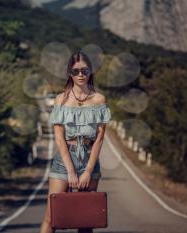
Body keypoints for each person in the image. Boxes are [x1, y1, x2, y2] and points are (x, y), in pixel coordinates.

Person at [39, 51, 111, 233]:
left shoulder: (99, 99)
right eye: (76, 71)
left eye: (85, 71)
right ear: (69, 73)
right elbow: (59, 138)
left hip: (90, 161)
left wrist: (87, 171)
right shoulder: (61, 100)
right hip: (64, 162)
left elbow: (100, 138)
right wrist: (71, 171)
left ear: (90, 72)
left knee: (85, 221)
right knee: (51, 217)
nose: (81, 75)